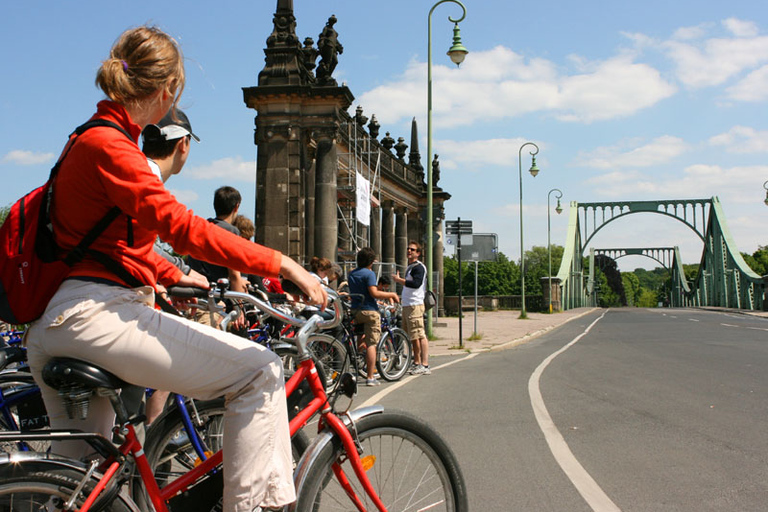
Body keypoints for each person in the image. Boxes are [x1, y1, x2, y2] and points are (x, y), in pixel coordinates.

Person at [24, 26, 325, 512]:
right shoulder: (112, 147)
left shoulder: (85, 139)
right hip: (94, 318)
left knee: (83, 486)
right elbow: (180, 226)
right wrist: (282, 262)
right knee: (260, 371)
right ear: (167, 92)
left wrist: (171, 277)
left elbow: (107, 248)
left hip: (57, 322)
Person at [347, 247, 399, 386]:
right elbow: (374, 293)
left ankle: (359, 357)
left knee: (360, 336)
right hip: (369, 310)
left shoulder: (351, 274)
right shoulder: (369, 274)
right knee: (372, 344)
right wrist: (391, 295)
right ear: (371, 261)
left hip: (355, 310)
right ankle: (370, 377)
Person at [187, 186, 250, 293]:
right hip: (218, 296)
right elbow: (234, 275)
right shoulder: (231, 231)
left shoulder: (201, 228)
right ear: (236, 207)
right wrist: (240, 307)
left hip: (196, 293)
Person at [394, 241, 430, 375]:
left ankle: (423, 364)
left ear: (418, 253)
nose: (409, 251)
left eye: (413, 250)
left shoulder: (419, 267)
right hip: (408, 304)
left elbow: (415, 284)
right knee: (412, 335)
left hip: (414, 305)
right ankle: (417, 362)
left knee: (418, 335)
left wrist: (399, 281)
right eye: (408, 249)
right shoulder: (411, 267)